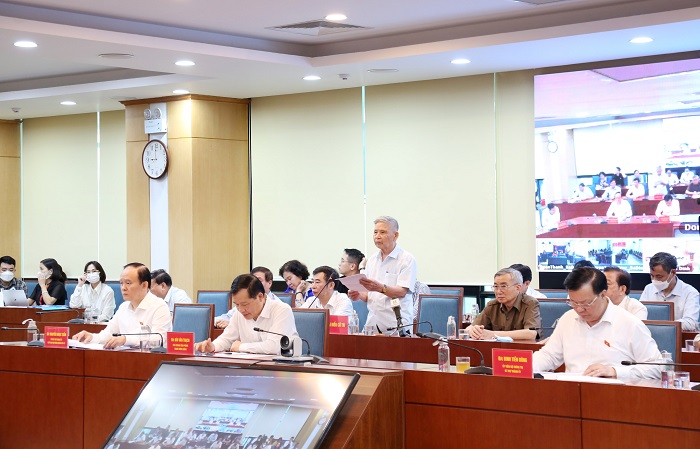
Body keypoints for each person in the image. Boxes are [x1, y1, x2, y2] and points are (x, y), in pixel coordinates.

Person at [533, 267, 662, 378]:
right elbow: (549, 356)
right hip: (572, 391)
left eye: (586, 303)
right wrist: (526, 366)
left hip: (614, 394)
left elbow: (657, 368)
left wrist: (615, 371)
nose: (579, 309)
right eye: (573, 303)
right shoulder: (568, 319)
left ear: (603, 294)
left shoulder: (630, 324)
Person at [72, 263, 173, 348]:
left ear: (144, 285)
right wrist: (91, 337)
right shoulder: (123, 307)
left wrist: (125, 340)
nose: (123, 288)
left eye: (128, 283)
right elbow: (108, 334)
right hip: (126, 359)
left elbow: (158, 339)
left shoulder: (159, 306)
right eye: (121, 283)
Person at [195, 273, 297, 354]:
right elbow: (227, 338)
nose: (241, 309)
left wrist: (241, 347)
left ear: (260, 297)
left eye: (245, 304)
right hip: (249, 368)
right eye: (237, 305)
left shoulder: (282, 310)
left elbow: (276, 346)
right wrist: (213, 346)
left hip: (281, 369)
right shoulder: (239, 312)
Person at [348, 216, 417, 333]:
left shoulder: (406, 259)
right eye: (375, 232)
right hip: (373, 323)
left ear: (395, 235)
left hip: (397, 324)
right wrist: (358, 294)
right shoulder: (372, 260)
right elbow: (367, 295)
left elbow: (402, 291)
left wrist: (380, 288)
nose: (377, 236)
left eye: (382, 232)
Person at [466, 268, 541, 340]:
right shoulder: (492, 305)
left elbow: (532, 333)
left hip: (522, 348)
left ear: (518, 287)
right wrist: (473, 330)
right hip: (496, 348)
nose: (498, 291)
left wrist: (493, 334)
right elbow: (469, 329)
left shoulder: (530, 303)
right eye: (496, 286)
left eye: (503, 286)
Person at [639, 252, 699, 331]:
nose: (654, 280)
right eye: (652, 276)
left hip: (677, 337)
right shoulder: (648, 289)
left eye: (659, 276)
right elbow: (639, 315)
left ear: (673, 273)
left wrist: (664, 327)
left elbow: (690, 323)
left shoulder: (690, 293)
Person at [215, 266, 280, 328]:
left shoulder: (278, 306)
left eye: (259, 280)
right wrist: (219, 322)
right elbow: (227, 317)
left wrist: (233, 324)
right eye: (252, 280)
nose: (254, 283)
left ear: (269, 283)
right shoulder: (242, 305)